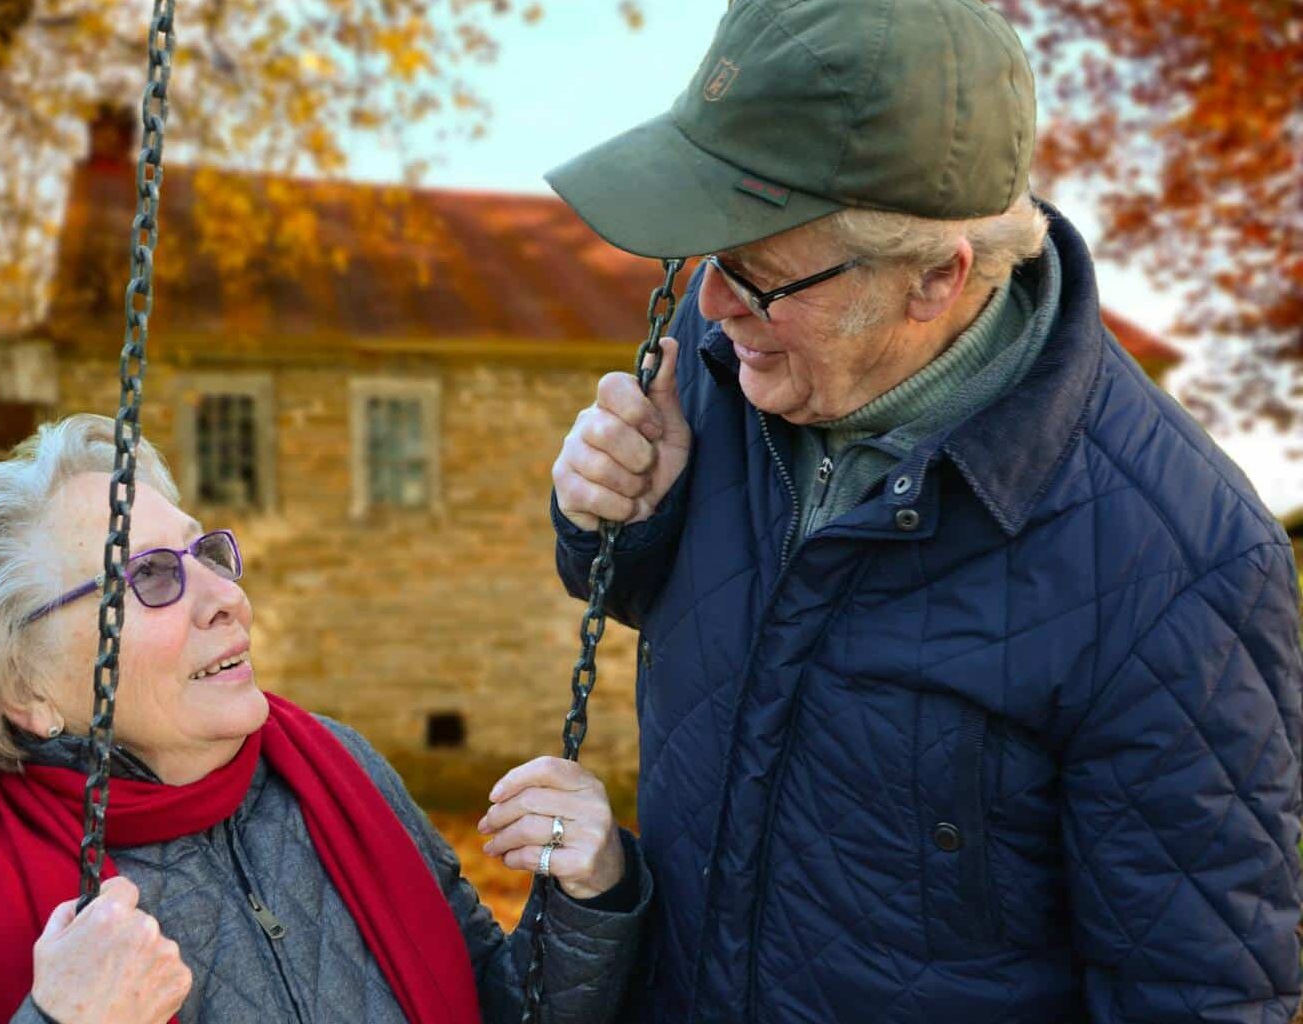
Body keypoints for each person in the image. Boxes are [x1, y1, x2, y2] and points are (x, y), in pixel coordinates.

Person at [544, 0, 1303, 1021]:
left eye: (756, 275)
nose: (713, 304)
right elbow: (665, 607)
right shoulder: (737, 353)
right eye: (707, 257)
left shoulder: (1179, 567)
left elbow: (1198, 994)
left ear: (936, 279)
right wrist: (614, 517)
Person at [0, 413, 650, 1024]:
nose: (227, 598)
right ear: (25, 689)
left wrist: (585, 896)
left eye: (208, 555)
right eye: (151, 576)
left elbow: (499, 1008)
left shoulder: (337, 771)